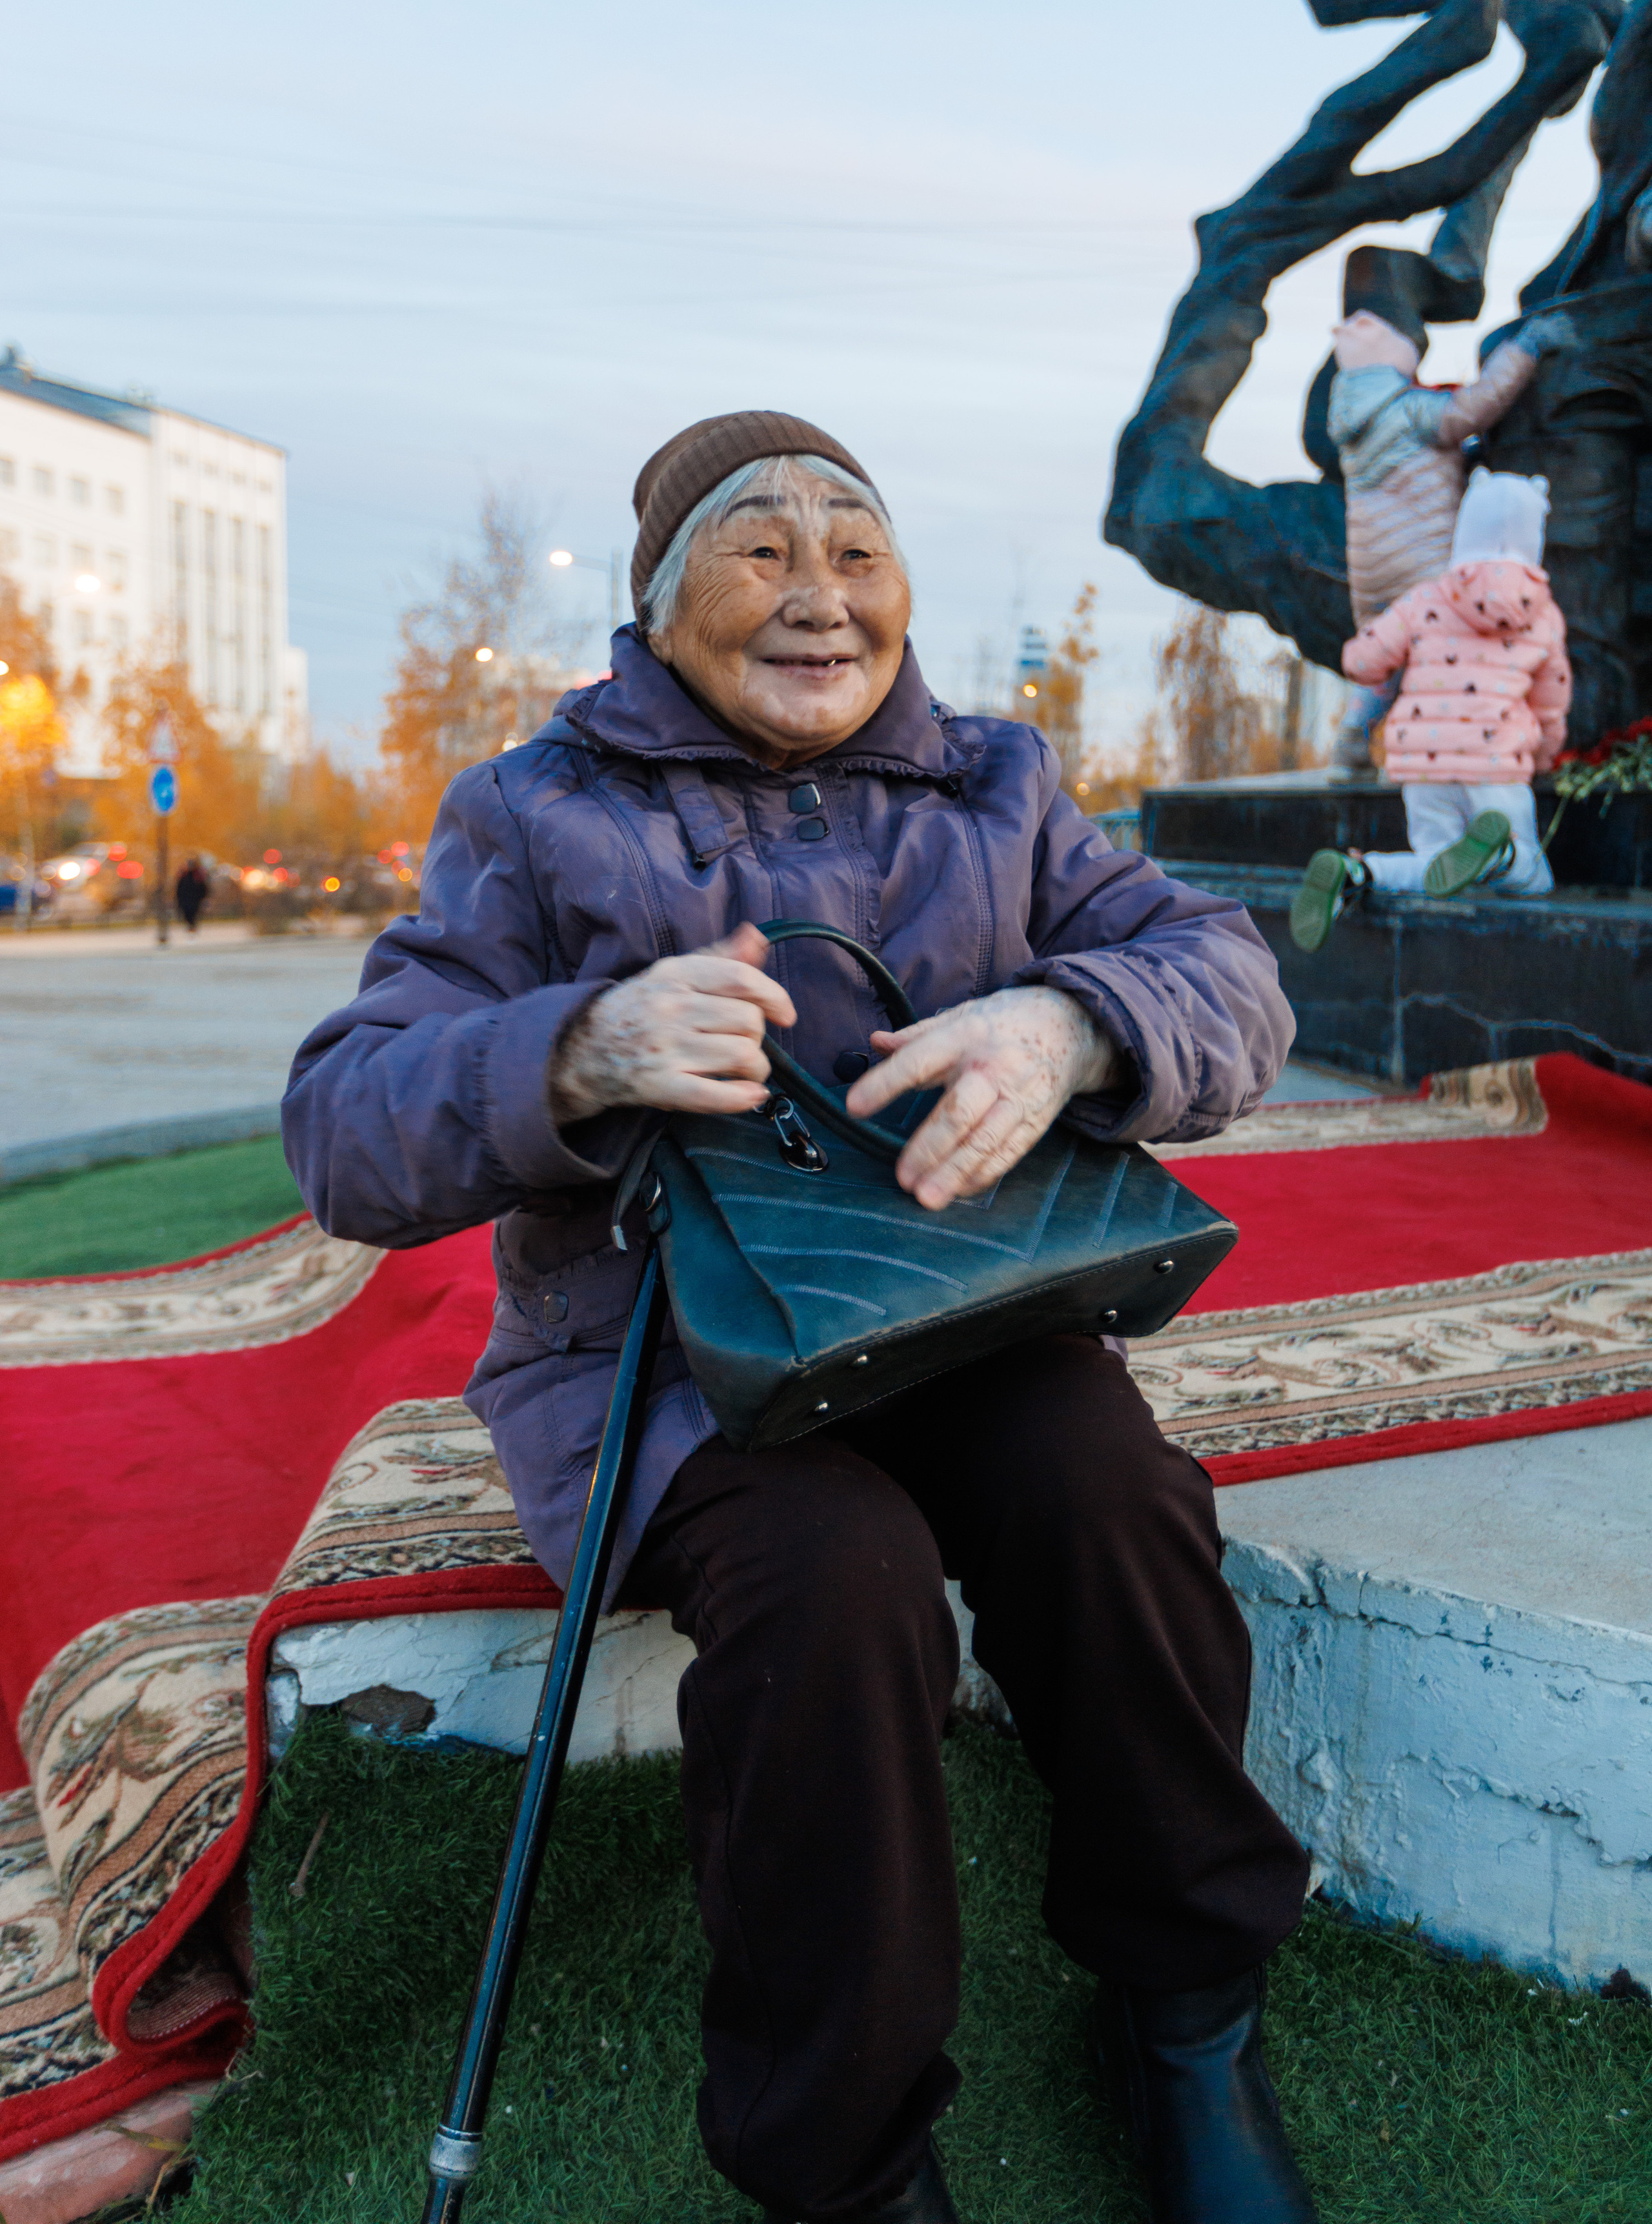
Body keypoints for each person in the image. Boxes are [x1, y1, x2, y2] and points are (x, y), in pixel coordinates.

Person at [283, 410, 1315, 2224]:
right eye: (760, 550)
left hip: (967, 1309)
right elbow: (344, 1128)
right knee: (836, 1587)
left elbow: (1226, 971)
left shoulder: (1000, 783)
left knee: (1115, 1499)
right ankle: (844, 2165)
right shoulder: (536, 814)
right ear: (662, 607)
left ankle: (1190, 2012)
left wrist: (1075, 1021)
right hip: (662, 1364)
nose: (820, 591)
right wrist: (578, 1049)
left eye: (857, 544)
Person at [1292, 469, 1570, 951]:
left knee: (1436, 863)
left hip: (1423, 763)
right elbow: (1552, 699)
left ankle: (1361, 871)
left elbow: (1364, 659)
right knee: (1534, 874)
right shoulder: (1544, 616)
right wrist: (1545, 755)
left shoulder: (1426, 598)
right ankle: (1499, 855)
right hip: (1496, 765)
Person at [1326, 305, 1573, 777]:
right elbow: (1471, 408)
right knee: (1451, 651)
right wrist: (1525, 350)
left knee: (1391, 650)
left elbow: (1423, 463)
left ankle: (1352, 738)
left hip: (1373, 570)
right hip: (1425, 560)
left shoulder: (1353, 426)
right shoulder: (1411, 409)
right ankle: (1464, 744)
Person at [174, 855, 210, 933]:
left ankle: (192, 926)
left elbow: (203, 888)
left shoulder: (198, 875)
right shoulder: (184, 876)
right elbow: (179, 888)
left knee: (193, 912)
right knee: (187, 913)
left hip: (195, 899)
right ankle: (190, 926)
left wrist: (203, 897)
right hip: (186, 899)